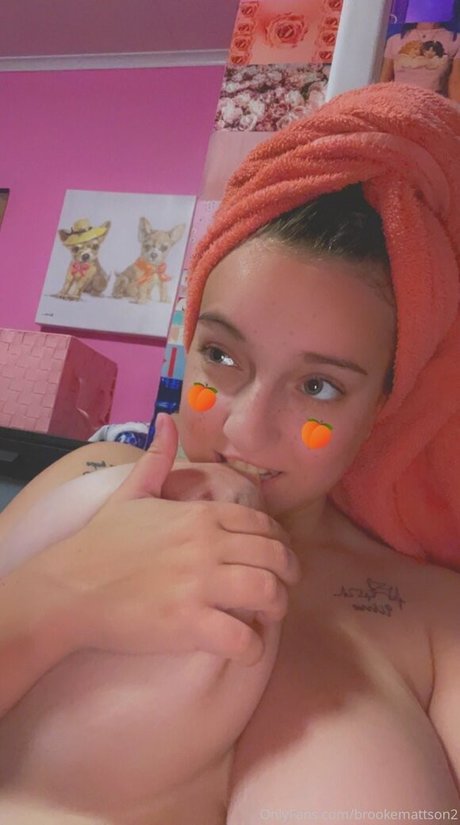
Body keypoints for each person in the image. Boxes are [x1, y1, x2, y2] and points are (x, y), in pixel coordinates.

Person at [1, 81, 460, 824]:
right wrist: (63, 591)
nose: (245, 431)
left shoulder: (433, 613)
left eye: (318, 386)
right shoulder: (88, 481)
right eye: (220, 355)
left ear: (383, 404)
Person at [380, 21, 460, 100]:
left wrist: (456, 107)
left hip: (434, 104)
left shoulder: (455, 40)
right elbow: (385, 79)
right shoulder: (395, 40)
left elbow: (455, 83)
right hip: (398, 102)